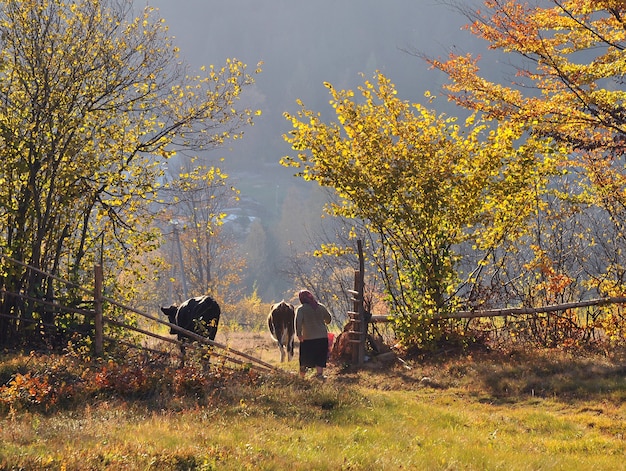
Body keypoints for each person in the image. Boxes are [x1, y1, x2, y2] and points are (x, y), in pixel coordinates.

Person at [295, 289, 332, 379]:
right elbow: (328, 320)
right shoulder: (320, 307)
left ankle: (302, 376)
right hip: (322, 337)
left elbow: (298, 323)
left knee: (304, 358)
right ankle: (320, 375)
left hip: (308, 338)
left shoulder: (301, 309)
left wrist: (299, 334)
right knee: (320, 356)